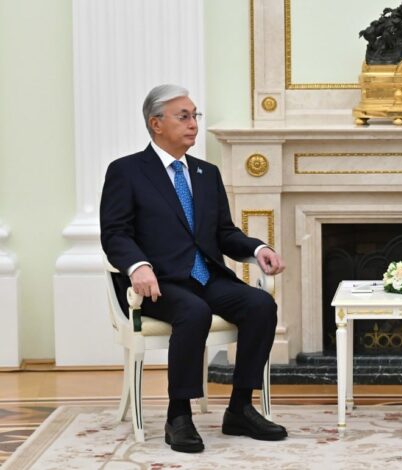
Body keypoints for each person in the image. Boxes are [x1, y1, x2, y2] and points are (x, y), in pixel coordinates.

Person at [100, 84, 287, 453]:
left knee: (260, 305)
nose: (193, 124)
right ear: (156, 124)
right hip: (157, 283)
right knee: (193, 311)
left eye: (194, 116)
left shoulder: (206, 173)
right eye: (183, 116)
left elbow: (224, 233)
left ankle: (240, 408)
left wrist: (258, 248)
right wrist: (138, 266)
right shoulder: (127, 171)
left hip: (206, 278)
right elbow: (115, 233)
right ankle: (179, 415)